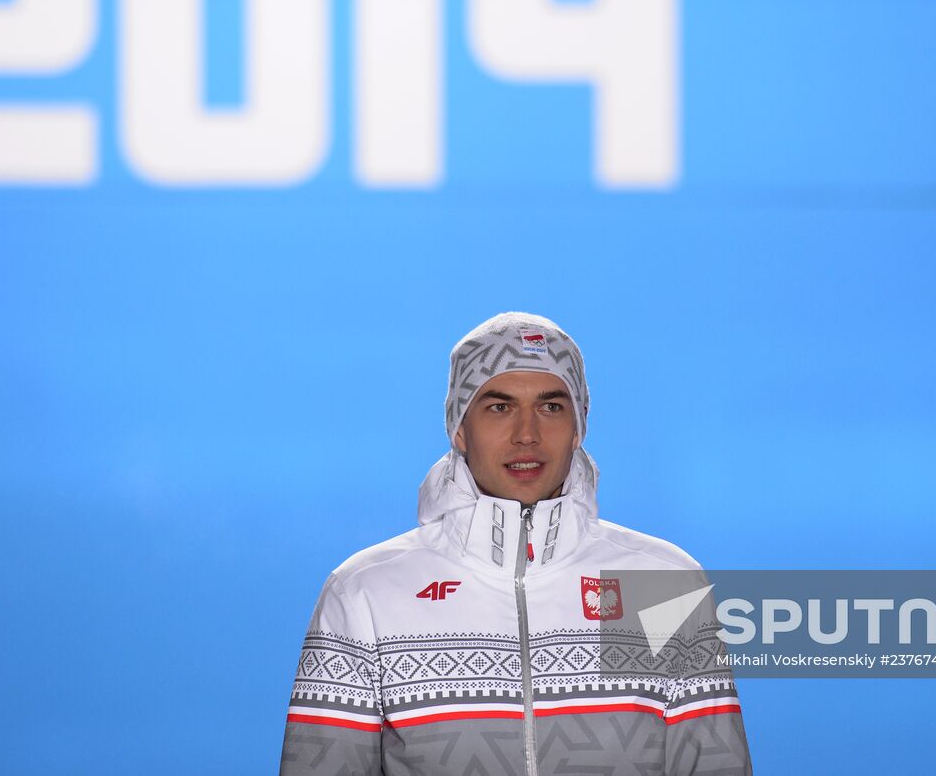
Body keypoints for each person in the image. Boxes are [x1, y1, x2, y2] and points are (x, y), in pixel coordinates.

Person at [279, 312, 752, 775]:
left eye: (550, 407)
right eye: (499, 407)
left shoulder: (665, 584)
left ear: (578, 427)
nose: (527, 435)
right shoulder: (366, 592)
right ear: (459, 430)